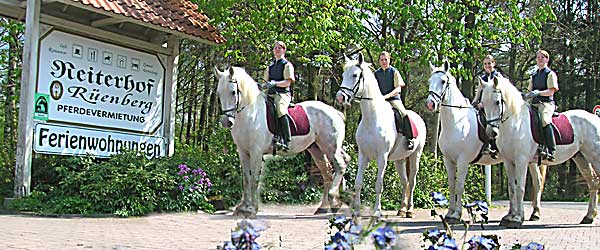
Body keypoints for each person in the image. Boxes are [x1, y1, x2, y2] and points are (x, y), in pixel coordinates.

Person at [374, 51, 414, 150]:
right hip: (379, 100)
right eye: (382, 60)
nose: (384, 61)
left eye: (385, 59)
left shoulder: (394, 71)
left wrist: (386, 96)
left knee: (403, 113)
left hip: (393, 99)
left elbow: (398, 89)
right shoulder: (376, 74)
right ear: (379, 61)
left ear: (389, 60)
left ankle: (410, 138)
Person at [525, 50, 559, 161]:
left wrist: (538, 92)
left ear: (547, 59)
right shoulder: (534, 75)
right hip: (534, 104)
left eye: (542, 57)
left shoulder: (550, 74)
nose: (540, 59)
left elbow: (551, 92)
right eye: (538, 57)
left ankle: (551, 150)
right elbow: (529, 91)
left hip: (546, 103)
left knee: (544, 120)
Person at [263, 41, 295, 151]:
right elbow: (265, 82)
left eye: (279, 48)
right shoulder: (270, 67)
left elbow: (287, 82)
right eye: (275, 48)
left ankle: (286, 140)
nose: (277, 49)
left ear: (284, 50)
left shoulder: (287, 65)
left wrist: (275, 83)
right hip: (270, 94)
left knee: (281, 110)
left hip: (282, 94)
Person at [473, 55, 503, 159]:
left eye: (489, 63)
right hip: (484, 106)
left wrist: (484, 104)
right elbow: (478, 94)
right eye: (485, 64)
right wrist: (476, 103)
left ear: (494, 63)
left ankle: (494, 146)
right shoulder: (483, 78)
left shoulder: (498, 77)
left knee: (489, 120)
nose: (487, 66)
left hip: (495, 107)